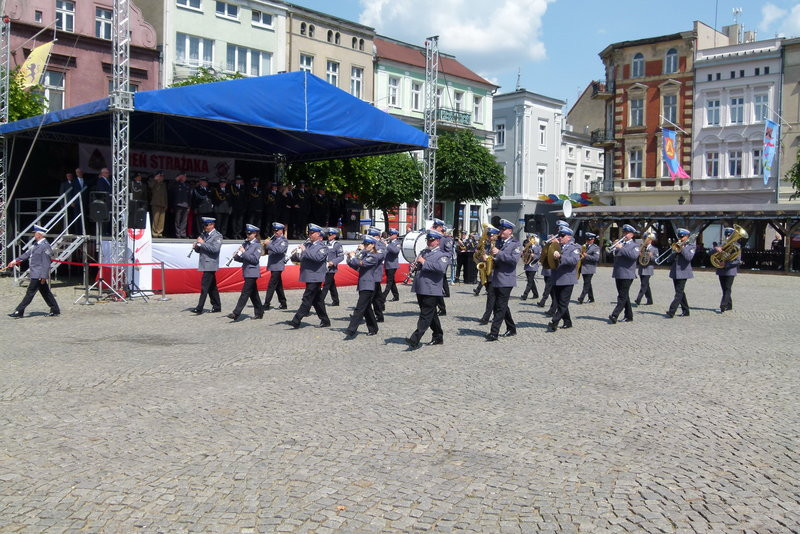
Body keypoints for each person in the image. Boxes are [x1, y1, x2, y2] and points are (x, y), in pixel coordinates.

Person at [406, 229, 449, 348]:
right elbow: (420, 265)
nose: (429, 242)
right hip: (421, 287)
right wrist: (415, 266)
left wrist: (424, 262)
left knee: (425, 314)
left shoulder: (443, 254)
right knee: (431, 314)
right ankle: (438, 336)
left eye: (432, 240)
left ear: (438, 241)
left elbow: (441, 268)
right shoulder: (424, 252)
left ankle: (415, 338)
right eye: (428, 240)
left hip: (432, 288)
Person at [6, 225, 61, 318]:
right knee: (46, 292)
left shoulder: (45, 246)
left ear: (39, 235)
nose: (34, 235)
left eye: (35, 233)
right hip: (35, 273)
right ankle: (55, 309)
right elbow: (26, 254)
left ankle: (19, 311)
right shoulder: (36, 245)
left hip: (38, 274)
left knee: (30, 293)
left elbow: (46, 263)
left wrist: (44, 276)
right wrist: (14, 261)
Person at [288, 223, 330, 328]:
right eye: (309, 233)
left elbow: (317, 258)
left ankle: (296, 320)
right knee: (317, 300)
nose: (309, 235)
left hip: (315, 277)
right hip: (308, 276)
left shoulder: (322, 247)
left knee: (307, 298)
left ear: (318, 234)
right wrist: (296, 254)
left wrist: (304, 250)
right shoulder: (308, 245)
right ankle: (325, 321)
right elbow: (300, 258)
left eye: (312, 233)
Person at [485, 219, 521, 341]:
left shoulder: (516, 244)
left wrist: (499, 253)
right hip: (496, 278)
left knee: (500, 306)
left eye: (503, 229)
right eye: (501, 229)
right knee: (499, 305)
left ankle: (494, 333)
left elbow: (513, 261)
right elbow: (496, 258)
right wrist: (488, 257)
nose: (501, 231)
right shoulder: (498, 242)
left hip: (506, 279)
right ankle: (511, 328)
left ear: (510, 231)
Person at [343, 236, 381, 339]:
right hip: (362, 284)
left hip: (368, 285)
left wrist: (354, 257)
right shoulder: (365, 254)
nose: (365, 246)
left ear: (373, 245)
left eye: (367, 244)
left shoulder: (373, 256)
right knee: (367, 308)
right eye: (364, 244)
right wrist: (349, 257)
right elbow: (354, 265)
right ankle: (373, 328)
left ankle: (351, 329)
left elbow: (361, 264)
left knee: (359, 308)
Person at [547, 227, 580, 332]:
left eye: (562, 236)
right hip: (556, 278)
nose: (560, 238)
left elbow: (574, 261)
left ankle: (554, 321)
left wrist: (561, 257)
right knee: (559, 301)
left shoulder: (574, 248)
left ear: (569, 237)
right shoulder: (557, 246)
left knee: (563, 303)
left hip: (567, 279)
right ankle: (567, 321)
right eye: (559, 236)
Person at [227, 224, 263, 321]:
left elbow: (255, 260)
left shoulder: (257, 245)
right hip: (247, 271)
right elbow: (244, 260)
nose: (248, 235)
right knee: (253, 294)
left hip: (252, 272)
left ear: (255, 234)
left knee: (245, 293)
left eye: (250, 233)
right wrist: (236, 257)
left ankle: (236, 313)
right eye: (247, 233)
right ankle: (260, 312)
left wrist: (244, 252)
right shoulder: (246, 244)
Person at [190, 217, 223, 314]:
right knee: (212, 287)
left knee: (204, 286)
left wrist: (202, 243)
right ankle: (217, 306)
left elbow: (215, 249)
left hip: (211, 264)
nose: (204, 227)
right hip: (204, 263)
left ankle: (199, 307)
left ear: (212, 225)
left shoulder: (217, 236)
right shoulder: (203, 235)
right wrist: (196, 247)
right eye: (204, 225)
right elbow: (201, 249)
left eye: (206, 225)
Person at [608, 225, 640, 324]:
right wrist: (615, 247)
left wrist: (621, 248)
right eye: (624, 232)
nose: (625, 235)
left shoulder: (635, 246)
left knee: (622, 296)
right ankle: (629, 316)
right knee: (624, 295)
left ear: (632, 235)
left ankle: (614, 315)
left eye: (627, 233)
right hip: (618, 273)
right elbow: (615, 255)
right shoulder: (621, 243)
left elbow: (633, 256)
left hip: (627, 273)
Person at [666, 228, 696, 318]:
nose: (680, 239)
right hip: (675, 272)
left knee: (678, 293)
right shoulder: (677, 245)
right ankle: (686, 310)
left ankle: (672, 311)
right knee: (680, 292)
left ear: (687, 237)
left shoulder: (691, 246)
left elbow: (689, 258)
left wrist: (681, 249)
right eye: (679, 237)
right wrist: (674, 252)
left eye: (682, 237)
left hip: (683, 272)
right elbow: (669, 259)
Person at [477, 225, 500, 325]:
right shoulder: (486, 244)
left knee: (491, 296)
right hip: (486, 272)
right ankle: (496, 316)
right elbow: (481, 255)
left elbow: (499, 258)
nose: (490, 237)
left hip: (495, 273)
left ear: (496, 236)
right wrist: (480, 255)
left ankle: (486, 318)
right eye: (489, 235)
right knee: (492, 297)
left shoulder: (498, 245)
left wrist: (489, 257)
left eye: (491, 236)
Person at [263, 222, 289, 310]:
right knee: (278, 285)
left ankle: (266, 304)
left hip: (278, 265)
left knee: (271, 285)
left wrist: (269, 244)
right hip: (272, 264)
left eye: (277, 230)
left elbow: (279, 250)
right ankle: (283, 303)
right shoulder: (273, 239)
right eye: (274, 230)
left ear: (282, 231)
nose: (275, 232)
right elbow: (270, 251)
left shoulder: (283, 240)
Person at [715, 227, 741, 312]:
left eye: (729, 236)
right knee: (724, 288)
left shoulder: (737, 246)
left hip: (730, 270)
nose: (727, 237)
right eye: (726, 235)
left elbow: (737, 261)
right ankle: (729, 305)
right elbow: (711, 254)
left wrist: (726, 264)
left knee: (727, 288)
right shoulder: (721, 244)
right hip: (721, 270)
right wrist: (716, 249)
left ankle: (723, 305)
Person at [431, 219, 451, 316]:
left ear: (441, 228)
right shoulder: (432, 237)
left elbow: (449, 252)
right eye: (434, 226)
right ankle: (435, 307)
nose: (434, 228)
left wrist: (442, 259)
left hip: (440, 263)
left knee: (437, 286)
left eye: (436, 227)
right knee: (434, 286)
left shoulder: (445, 239)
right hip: (432, 263)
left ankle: (442, 309)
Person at [366, 227, 386, 322]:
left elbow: (379, 257)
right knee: (376, 298)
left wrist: (368, 250)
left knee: (368, 298)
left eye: (372, 236)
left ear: (377, 236)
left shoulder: (381, 245)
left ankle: (362, 314)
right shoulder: (368, 244)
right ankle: (379, 316)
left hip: (375, 274)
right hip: (369, 274)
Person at [320, 227, 344, 306]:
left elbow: (341, 257)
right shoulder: (324, 243)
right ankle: (336, 301)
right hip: (324, 267)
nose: (328, 236)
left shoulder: (337, 245)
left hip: (331, 268)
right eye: (328, 234)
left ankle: (320, 300)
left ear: (334, 236)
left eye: (330, 235)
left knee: (326, 284)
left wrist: (333, 262)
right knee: (331, 285)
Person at [635, 233, 658, 306]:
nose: (645, 240)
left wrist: (651, 256)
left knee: (644, 285)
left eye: (647, 239)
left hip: (648, 269)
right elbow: (636, 256)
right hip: (642, 268)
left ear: (650, 240)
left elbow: (657, 260)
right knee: (646, 285)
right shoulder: (641, 248)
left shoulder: (654, 249)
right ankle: (650, 300)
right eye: (645, 239)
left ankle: (638, 299)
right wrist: (639, 254)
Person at [577, 233, 599, 304]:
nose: (588, 241)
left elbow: (596, 258)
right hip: (583, 268)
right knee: (588, 283)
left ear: (593, 240)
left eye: (590, 240)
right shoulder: (584, 246)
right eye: (587, 239)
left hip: (590, 268)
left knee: (586, 283)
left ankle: (581, 297)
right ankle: (591, 298)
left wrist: (586, 256)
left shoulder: (595, 248)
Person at [520, 235, 541, 300]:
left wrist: (533, 255)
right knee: (531, 281)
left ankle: (525, 295)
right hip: (527, 265)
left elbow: (539, 256)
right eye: (531, 239)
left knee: (529, 282)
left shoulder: (538, 247)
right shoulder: (528, 246)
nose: (532, 240)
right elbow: (524, 255)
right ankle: (536, 294)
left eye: (533, 239)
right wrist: (523, 254)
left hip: (533, 266)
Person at [382, 228, 401, 302]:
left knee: (389, 281)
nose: (389, 235)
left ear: (395, 235)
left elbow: (395, 251)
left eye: (391, 234)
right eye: (389, 234)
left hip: (393, 265)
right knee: (392, 281)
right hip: (387, 264)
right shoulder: (389, 242)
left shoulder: (397, 243)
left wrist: (387, 245)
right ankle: (396, 296)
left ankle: (383, 296)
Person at [170, 173, 191, 238]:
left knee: (184, 221)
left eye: (185, 177)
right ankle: (178, 234)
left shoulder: (187, 185)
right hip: (178, 205)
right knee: (177, 220)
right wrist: (176, 179)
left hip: (185, 205)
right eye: (183, 177)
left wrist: (189, 206)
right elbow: (170, 187)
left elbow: (189, 196)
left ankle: (183, 234)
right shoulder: (176, 184)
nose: (184, 178)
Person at [148, 171, 168, 238]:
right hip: (155, 203)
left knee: (161, 220)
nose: (162, 178)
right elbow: (150, 186)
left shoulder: (163, 184)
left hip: (162, 203)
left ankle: (160, 233)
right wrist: (155, 179)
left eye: (162, 177)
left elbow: (165, 195)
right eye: (160, 176)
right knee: (155, 219)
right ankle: (154, 233)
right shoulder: (153, 182)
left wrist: (166, 204)